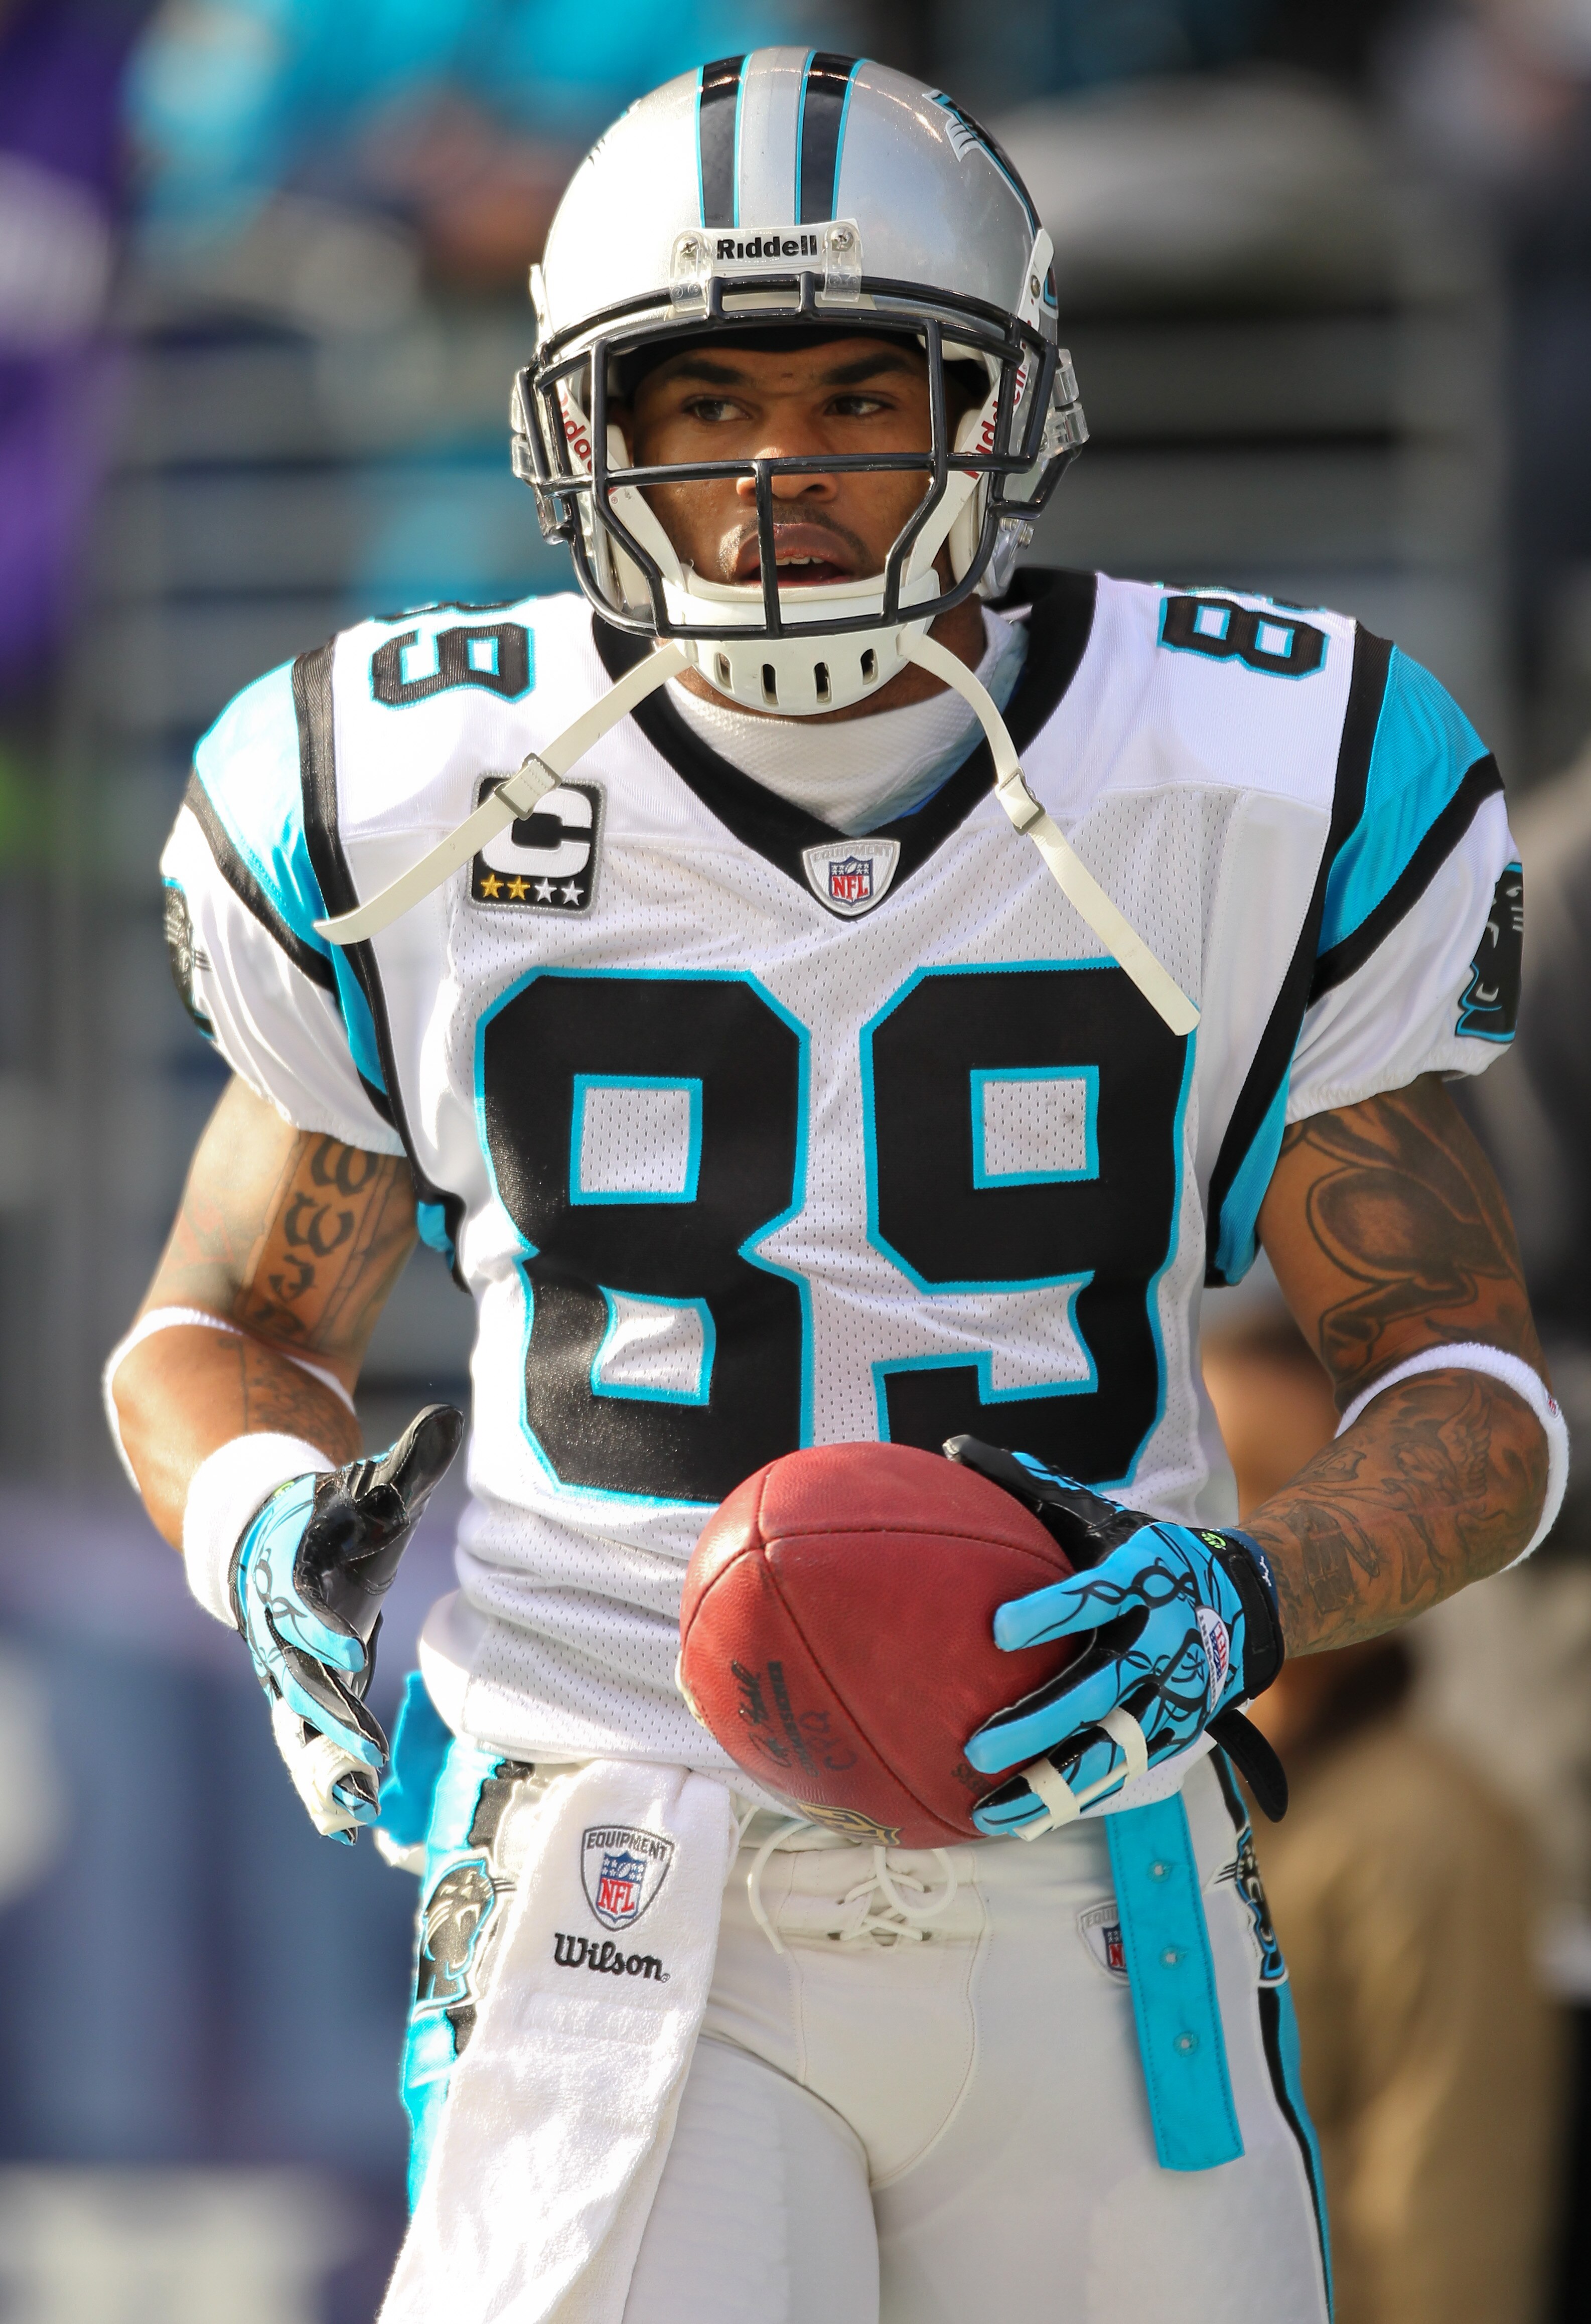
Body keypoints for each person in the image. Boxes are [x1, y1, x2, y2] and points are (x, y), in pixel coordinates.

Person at [106, 51, 1561, 2324]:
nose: (776, 469)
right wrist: (255, 1519)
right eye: (701, 404)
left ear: (991, 405)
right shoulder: (397, 786)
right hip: (609, 1844)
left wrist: (1237, 1597)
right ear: (588, 429)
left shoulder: (1261, 771)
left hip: (1091, 1870)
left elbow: (1464, 1377)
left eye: (850, 391)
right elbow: (223, 1327)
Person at [1204, 1292, 1563, 2324]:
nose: (1232, 1549)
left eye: (1283, 1502)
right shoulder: (1107, 1795)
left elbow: (1445, 2241)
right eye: (1206, 1491)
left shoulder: (1424, 1835)